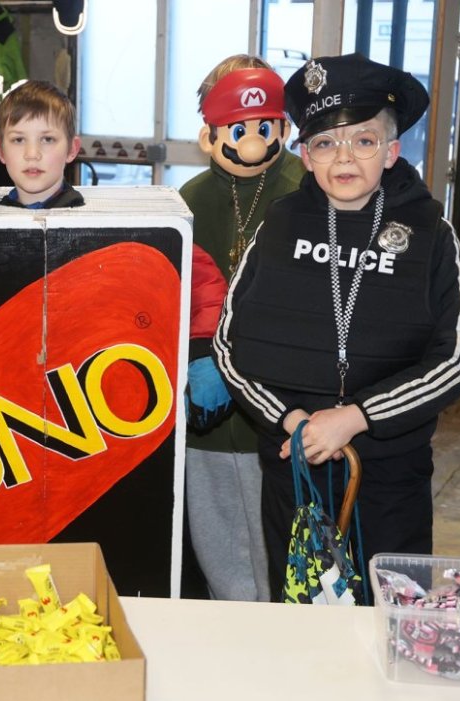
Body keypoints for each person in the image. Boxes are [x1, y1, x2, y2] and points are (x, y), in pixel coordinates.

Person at [214, 53, 460, 602]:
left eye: (363, 140)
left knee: (391, 617)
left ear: (391, 151)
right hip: (296, 469)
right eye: (325, 142)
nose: (344, 157)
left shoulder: (432, 234)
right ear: (305, 156)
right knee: (301, 621)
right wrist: (291, 421)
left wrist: (357, 417)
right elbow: (229, 346)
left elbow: (457, 358)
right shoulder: (278, 226)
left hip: (391, 478)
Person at [180, 56, 305, 602]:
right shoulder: (188, 201)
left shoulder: (306, 192)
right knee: (218, 554)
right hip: (205, 421)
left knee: (281, 556)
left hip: (279, 416)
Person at [0, 79, 84, 209]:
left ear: (72, 149)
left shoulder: (83, 219)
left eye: (47, 139)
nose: (32, 154)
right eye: (19, 140)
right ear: (1, 151)